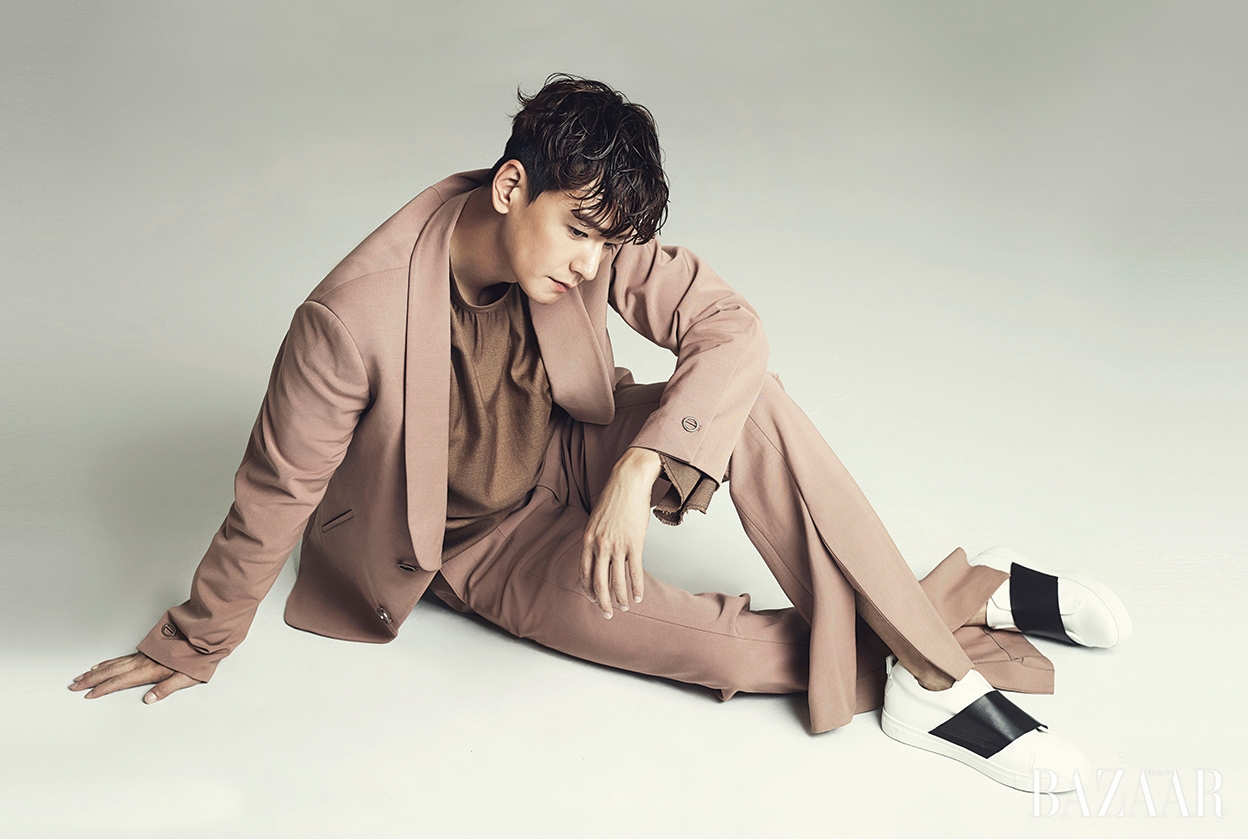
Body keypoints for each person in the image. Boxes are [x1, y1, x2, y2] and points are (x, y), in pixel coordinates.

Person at [69, 74, 1130, 792]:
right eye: (578, 233)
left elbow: (731, 327)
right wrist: (195, 640)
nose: (591, 263)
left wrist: (639, 466)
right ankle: (963, 598)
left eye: (605, 243)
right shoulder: (348, 318)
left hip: (577, 446)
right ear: (511, 186)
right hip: (478, 543)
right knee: (727, 651)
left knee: (751, 397)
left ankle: (934, 686)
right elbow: (275, 491)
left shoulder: (590, 235)